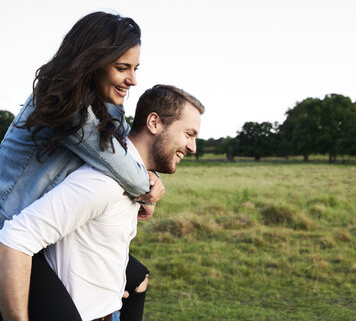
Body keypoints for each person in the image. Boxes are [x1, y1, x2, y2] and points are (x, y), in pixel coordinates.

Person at [0, 12, 164, 320]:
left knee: (137, 277)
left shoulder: (108, 107)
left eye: (135, 68)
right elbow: (128, 171)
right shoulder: (66, 104)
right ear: (93, 62)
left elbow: (127, 155)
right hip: (10, 235)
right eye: (122, 68)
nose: (133, 79)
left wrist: (150, 176)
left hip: (38, 231)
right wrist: (147, 184)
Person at [0, 85, 205, 320]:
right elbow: (16, 237)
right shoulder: (104, 182)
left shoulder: (129, 176)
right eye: (189, 134)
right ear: (154, 123)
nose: (193, 147)